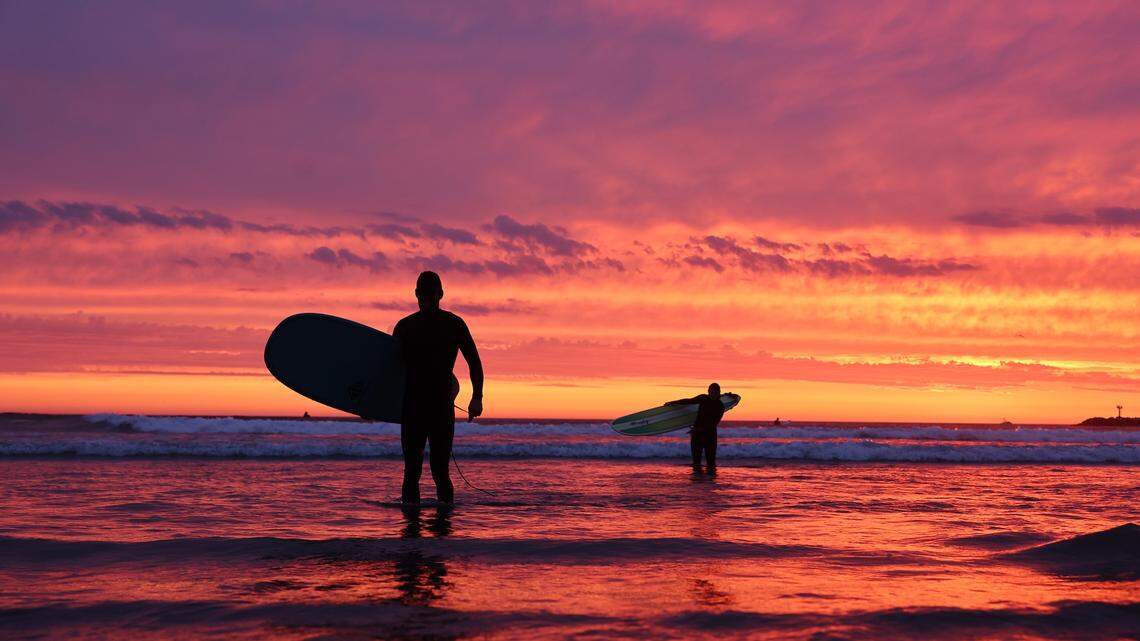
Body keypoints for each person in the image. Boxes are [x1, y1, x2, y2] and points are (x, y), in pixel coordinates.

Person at [393, 271, 483, 504]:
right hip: (422, 407)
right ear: (417, 295)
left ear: (440, 295)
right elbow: (391, 371)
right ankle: (420, 535)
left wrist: (477, 398)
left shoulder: (447, 325)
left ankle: (437, 534)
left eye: (431, 297)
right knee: (416, 471)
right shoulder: (408, 327)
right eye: (426, 297)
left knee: (436, 471)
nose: (428, 301)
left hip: (430, 407)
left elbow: (474, 361)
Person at [665, 383, 726, 475]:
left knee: (711, 463)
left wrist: (697, 429)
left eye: (714, 392)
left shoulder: (720, 406)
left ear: (718, 393)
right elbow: (689, 401)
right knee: (696, 463)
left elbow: (713, 423)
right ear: (708, 391)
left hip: (710, 436)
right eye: (710, 391)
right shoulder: (703, 398)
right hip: (697, 435)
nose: (711, 393)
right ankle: (697, 484)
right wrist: (673, 402)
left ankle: (710, 484)